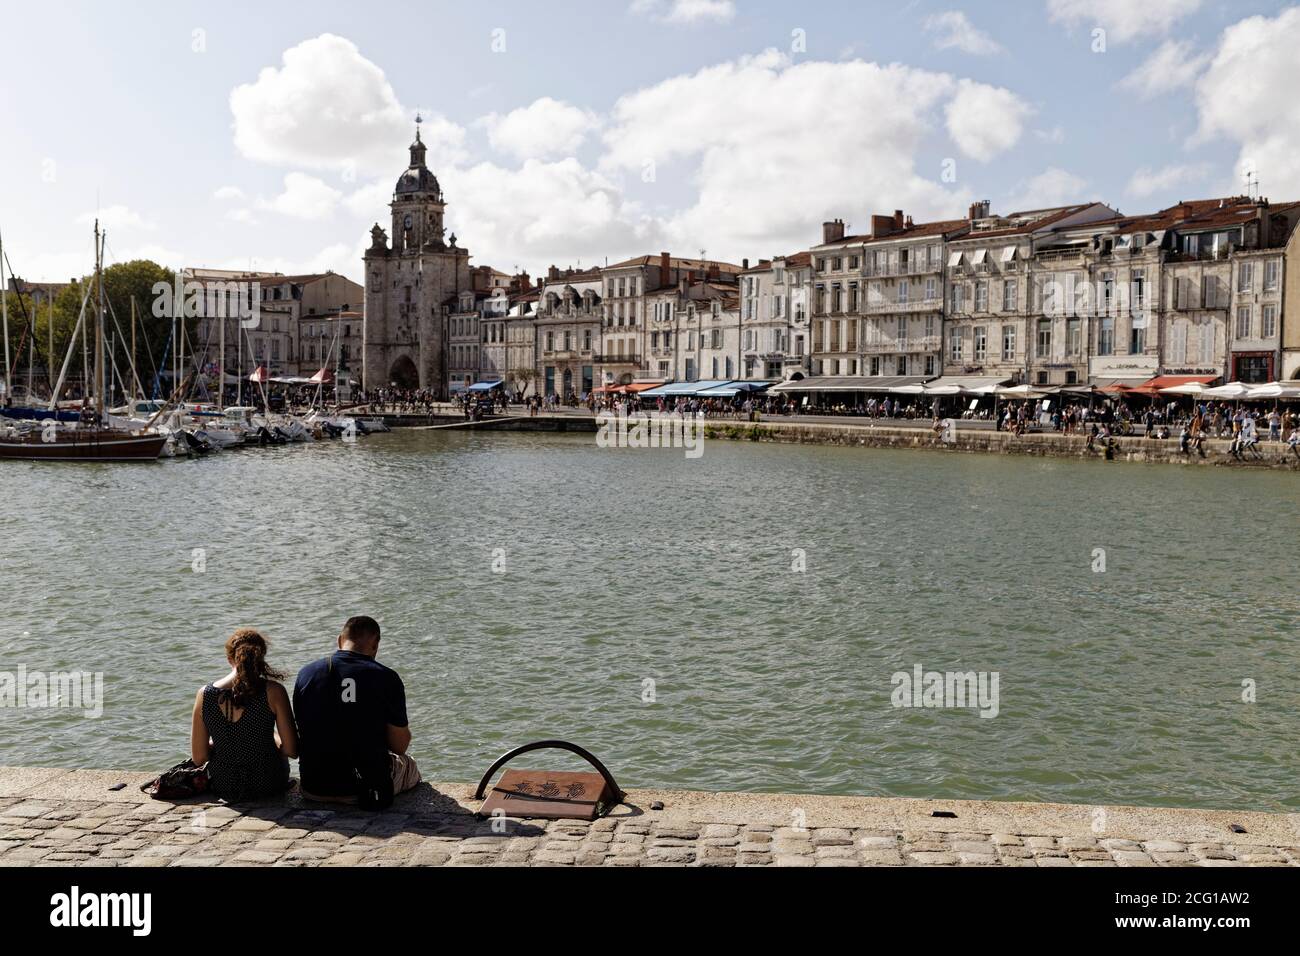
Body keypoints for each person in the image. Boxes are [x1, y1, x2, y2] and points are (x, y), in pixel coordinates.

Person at [293, 615, 420, 807]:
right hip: (364, 790)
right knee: (408, 764)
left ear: (339, 640)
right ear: (375, 645)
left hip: (313, 788)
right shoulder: (386, 677)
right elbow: (399, 746)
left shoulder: (306, 673)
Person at [190, 628, 297, 800]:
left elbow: (199, 758)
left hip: (224, 783)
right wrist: (273, 736)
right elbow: (291, 750)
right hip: (268, 782)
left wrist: (220, 741)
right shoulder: (273, 691)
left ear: (229, 659)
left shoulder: (204, 694)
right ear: (261, 657)